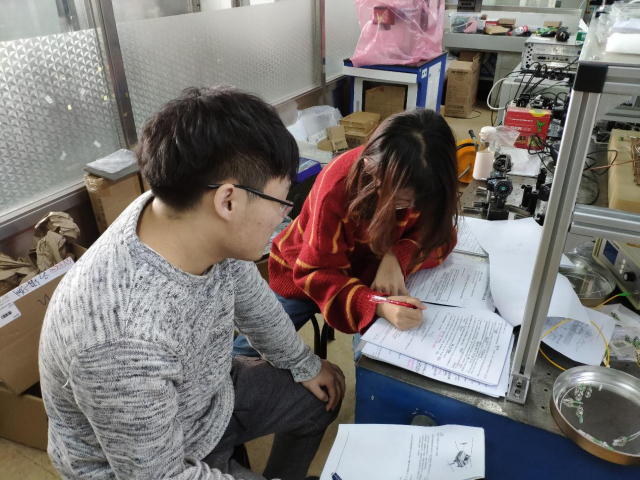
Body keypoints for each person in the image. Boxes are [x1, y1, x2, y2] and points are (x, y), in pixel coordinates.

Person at [39, 86, 345, 480]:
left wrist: (302, 364)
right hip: (146, 465)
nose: (283, 217)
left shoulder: (184, 218)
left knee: (324, 392)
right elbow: (159, 476)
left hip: (206, 396)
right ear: (228, 201)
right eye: (282, 201)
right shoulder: (122, 342)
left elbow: (254, 303)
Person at [233, 109, 458, 357]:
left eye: (420, 201)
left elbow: (441, 236)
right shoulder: (337, 189)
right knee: (247, 351)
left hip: (371, 274)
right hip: (307, 271)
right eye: (401, 202)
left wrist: (396, 256)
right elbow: (318, 273)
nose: (411, 208)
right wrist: (377, 305)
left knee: (375, 357)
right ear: (370, 168)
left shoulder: (426, 182)